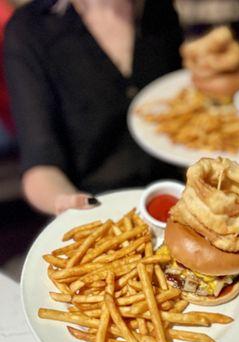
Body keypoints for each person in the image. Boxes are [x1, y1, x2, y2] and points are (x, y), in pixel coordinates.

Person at [4, 0, 183, 215]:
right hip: (99, 209)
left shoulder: (158, 9)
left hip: (174, 197)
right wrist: (66, 201)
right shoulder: (29, 28)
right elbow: (40, 165)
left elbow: (180, 111)